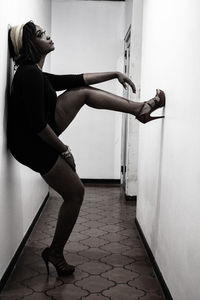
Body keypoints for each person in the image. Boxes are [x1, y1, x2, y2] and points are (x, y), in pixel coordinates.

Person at [8, 21, 165, 277]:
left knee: (80, 91)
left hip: (38, 135)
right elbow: (37, 126)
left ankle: (140, 109)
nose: (47, 35)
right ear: (30, 45)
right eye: (40, 34)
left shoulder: (34, 73)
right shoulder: (28, 74)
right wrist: (64, 150)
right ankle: (55, 252)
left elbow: (75, 79)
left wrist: (115, 74)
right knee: (75, 193)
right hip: (32, 144)